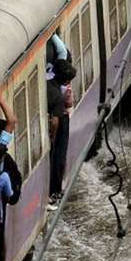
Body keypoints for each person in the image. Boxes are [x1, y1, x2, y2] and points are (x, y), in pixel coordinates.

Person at [47, 59, 76, 210]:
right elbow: (55, 121)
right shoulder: (59, 95)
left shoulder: (46, 83)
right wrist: (53, 136)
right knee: (58, 159)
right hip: (59, 127)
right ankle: (55, 192)